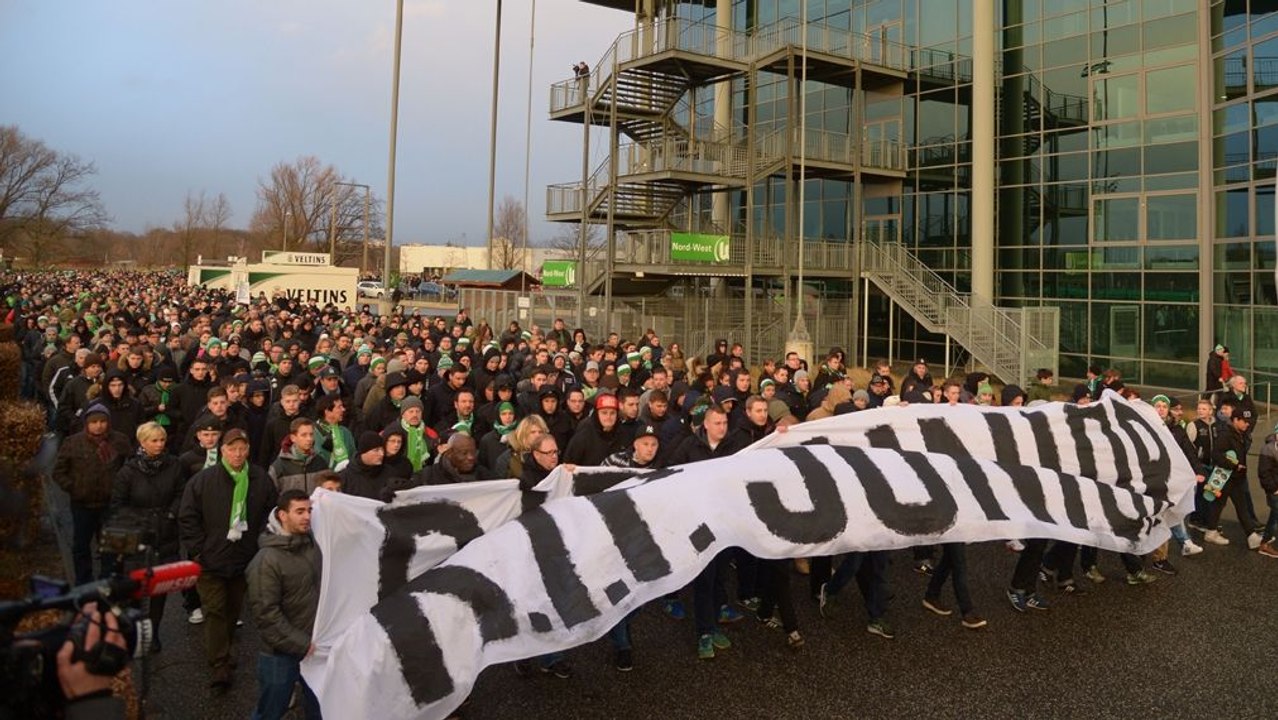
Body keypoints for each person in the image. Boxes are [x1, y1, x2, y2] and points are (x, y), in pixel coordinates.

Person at [179, 428, 278, 692]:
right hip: (211, 559)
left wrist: (259, 545)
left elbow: (271, 514)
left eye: (242, 449)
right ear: (222, 450)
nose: (237, 454)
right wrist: (199, 551)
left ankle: (224, 649)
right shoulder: (203, 480)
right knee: (214, 610)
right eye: (232, 448)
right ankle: (219, 663)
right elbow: (188, 517)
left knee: (233, 611)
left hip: (244, 558)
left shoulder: (260, 479)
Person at [246, 489, 322, 720]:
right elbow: (267, 616)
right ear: (282, 515)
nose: (307, 517)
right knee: (270, 711)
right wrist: (301, 644)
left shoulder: (312, 546)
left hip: (314, 648)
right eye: (299, 511)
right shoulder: (266, 561)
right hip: (280, 654)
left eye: (309, 510)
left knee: (319, 707)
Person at [108, 422, 185, 652]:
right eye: (154, 440)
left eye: (162, 440)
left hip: (165, 533)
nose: (159, 445)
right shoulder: (128, 472)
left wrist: (171, 513)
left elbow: (182, 492)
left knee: (159, 588)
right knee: (136, 587)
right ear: (142, 442)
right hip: (137, 536)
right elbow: (118, 505)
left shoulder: (174, 465)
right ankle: (134, 632)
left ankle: (153, 632)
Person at [54, 401, 132, 584]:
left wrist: (121, 491)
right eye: (94, 422)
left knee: (112, 547)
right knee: (81, 546)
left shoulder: (119, 440)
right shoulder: (73, 442)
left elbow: (129, 468)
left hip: (110, 505)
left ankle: (109, 582)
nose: (98, 425)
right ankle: (84, 583)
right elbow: (58, 471)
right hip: (83, 505)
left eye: (102, 421)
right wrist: (74, 488)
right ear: (87, 423)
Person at [1204, 408, 1263, 549]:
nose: (1247, 424)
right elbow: (1217, 455)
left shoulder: (1240, 433)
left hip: (1235, 478)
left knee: (1240, 506)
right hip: (1226, 477)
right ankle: (1212, 532)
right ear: (1235, 420)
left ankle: (1251, 536)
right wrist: (1235, 466)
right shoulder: (1226, 435)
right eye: (1244, 421)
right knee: (1219, 505)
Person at [268, 417, 328, 494]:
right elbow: (271, 496)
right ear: (293, 438)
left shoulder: (320, 462)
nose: (309, 439)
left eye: (311, 434)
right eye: (304, 435)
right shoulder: (279, 466)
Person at [414, 433, 495, 485]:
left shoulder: (485, 477)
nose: (471, 457)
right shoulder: (427, 477)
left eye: (473, 452)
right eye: (464, 453)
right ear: (449, 453)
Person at [340, 431, 394, 500]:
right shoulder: (346, 477)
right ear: (364, 452)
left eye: (382, 450)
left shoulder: (389, 473)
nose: (381, 454)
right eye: (376, 450)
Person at [1258, 423, 1278, 558]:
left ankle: (1267, 538)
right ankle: (1264, 543)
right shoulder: (1268, 449)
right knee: (1275, 515)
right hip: (1275, 489)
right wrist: (1273, 489)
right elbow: (1264, 472)